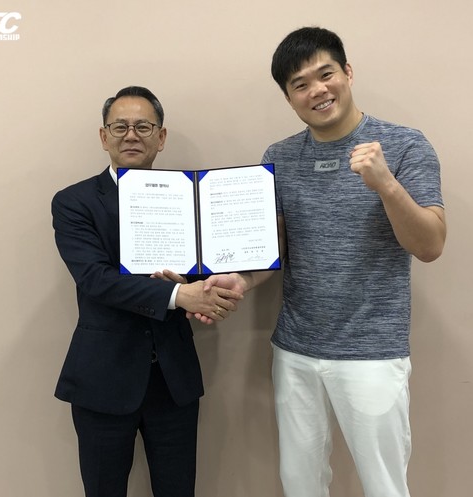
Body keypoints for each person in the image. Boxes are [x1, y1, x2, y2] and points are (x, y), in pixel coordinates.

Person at [187, 27, 446, 497]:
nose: (317, 90)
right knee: (300, 483)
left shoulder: (404, 145)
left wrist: (386, 184)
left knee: (385, 486)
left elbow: (430, 245)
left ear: (348, 73)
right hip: (296, 349)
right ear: (289, 98)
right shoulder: (280, 157)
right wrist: (240, 280)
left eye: (326, 75)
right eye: (300, 84)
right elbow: (275, 248)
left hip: (372, 351)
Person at [51, 86, 242, 497]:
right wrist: (179, 297)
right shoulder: (74, 202)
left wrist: (206, 287)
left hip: (173, 380)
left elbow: (202, 266)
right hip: (103, 378)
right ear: (104, 136)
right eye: (120, 127)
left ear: (161, 137)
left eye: (143, 126)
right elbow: (95, 279)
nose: (131, 136)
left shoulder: (191, 198)